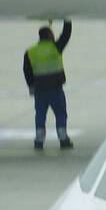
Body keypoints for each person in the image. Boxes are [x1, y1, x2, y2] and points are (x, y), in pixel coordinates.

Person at [23, 20, 73, 150]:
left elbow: (27, 71)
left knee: (40, 115)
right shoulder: (55, 47)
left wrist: (31, 86)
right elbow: (66, 35)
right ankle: (63, 138)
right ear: (50, 35)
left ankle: (39, 140)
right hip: (55, 89)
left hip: (39, 90)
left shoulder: (30, 51)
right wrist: (67, 20)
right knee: (60, 113)